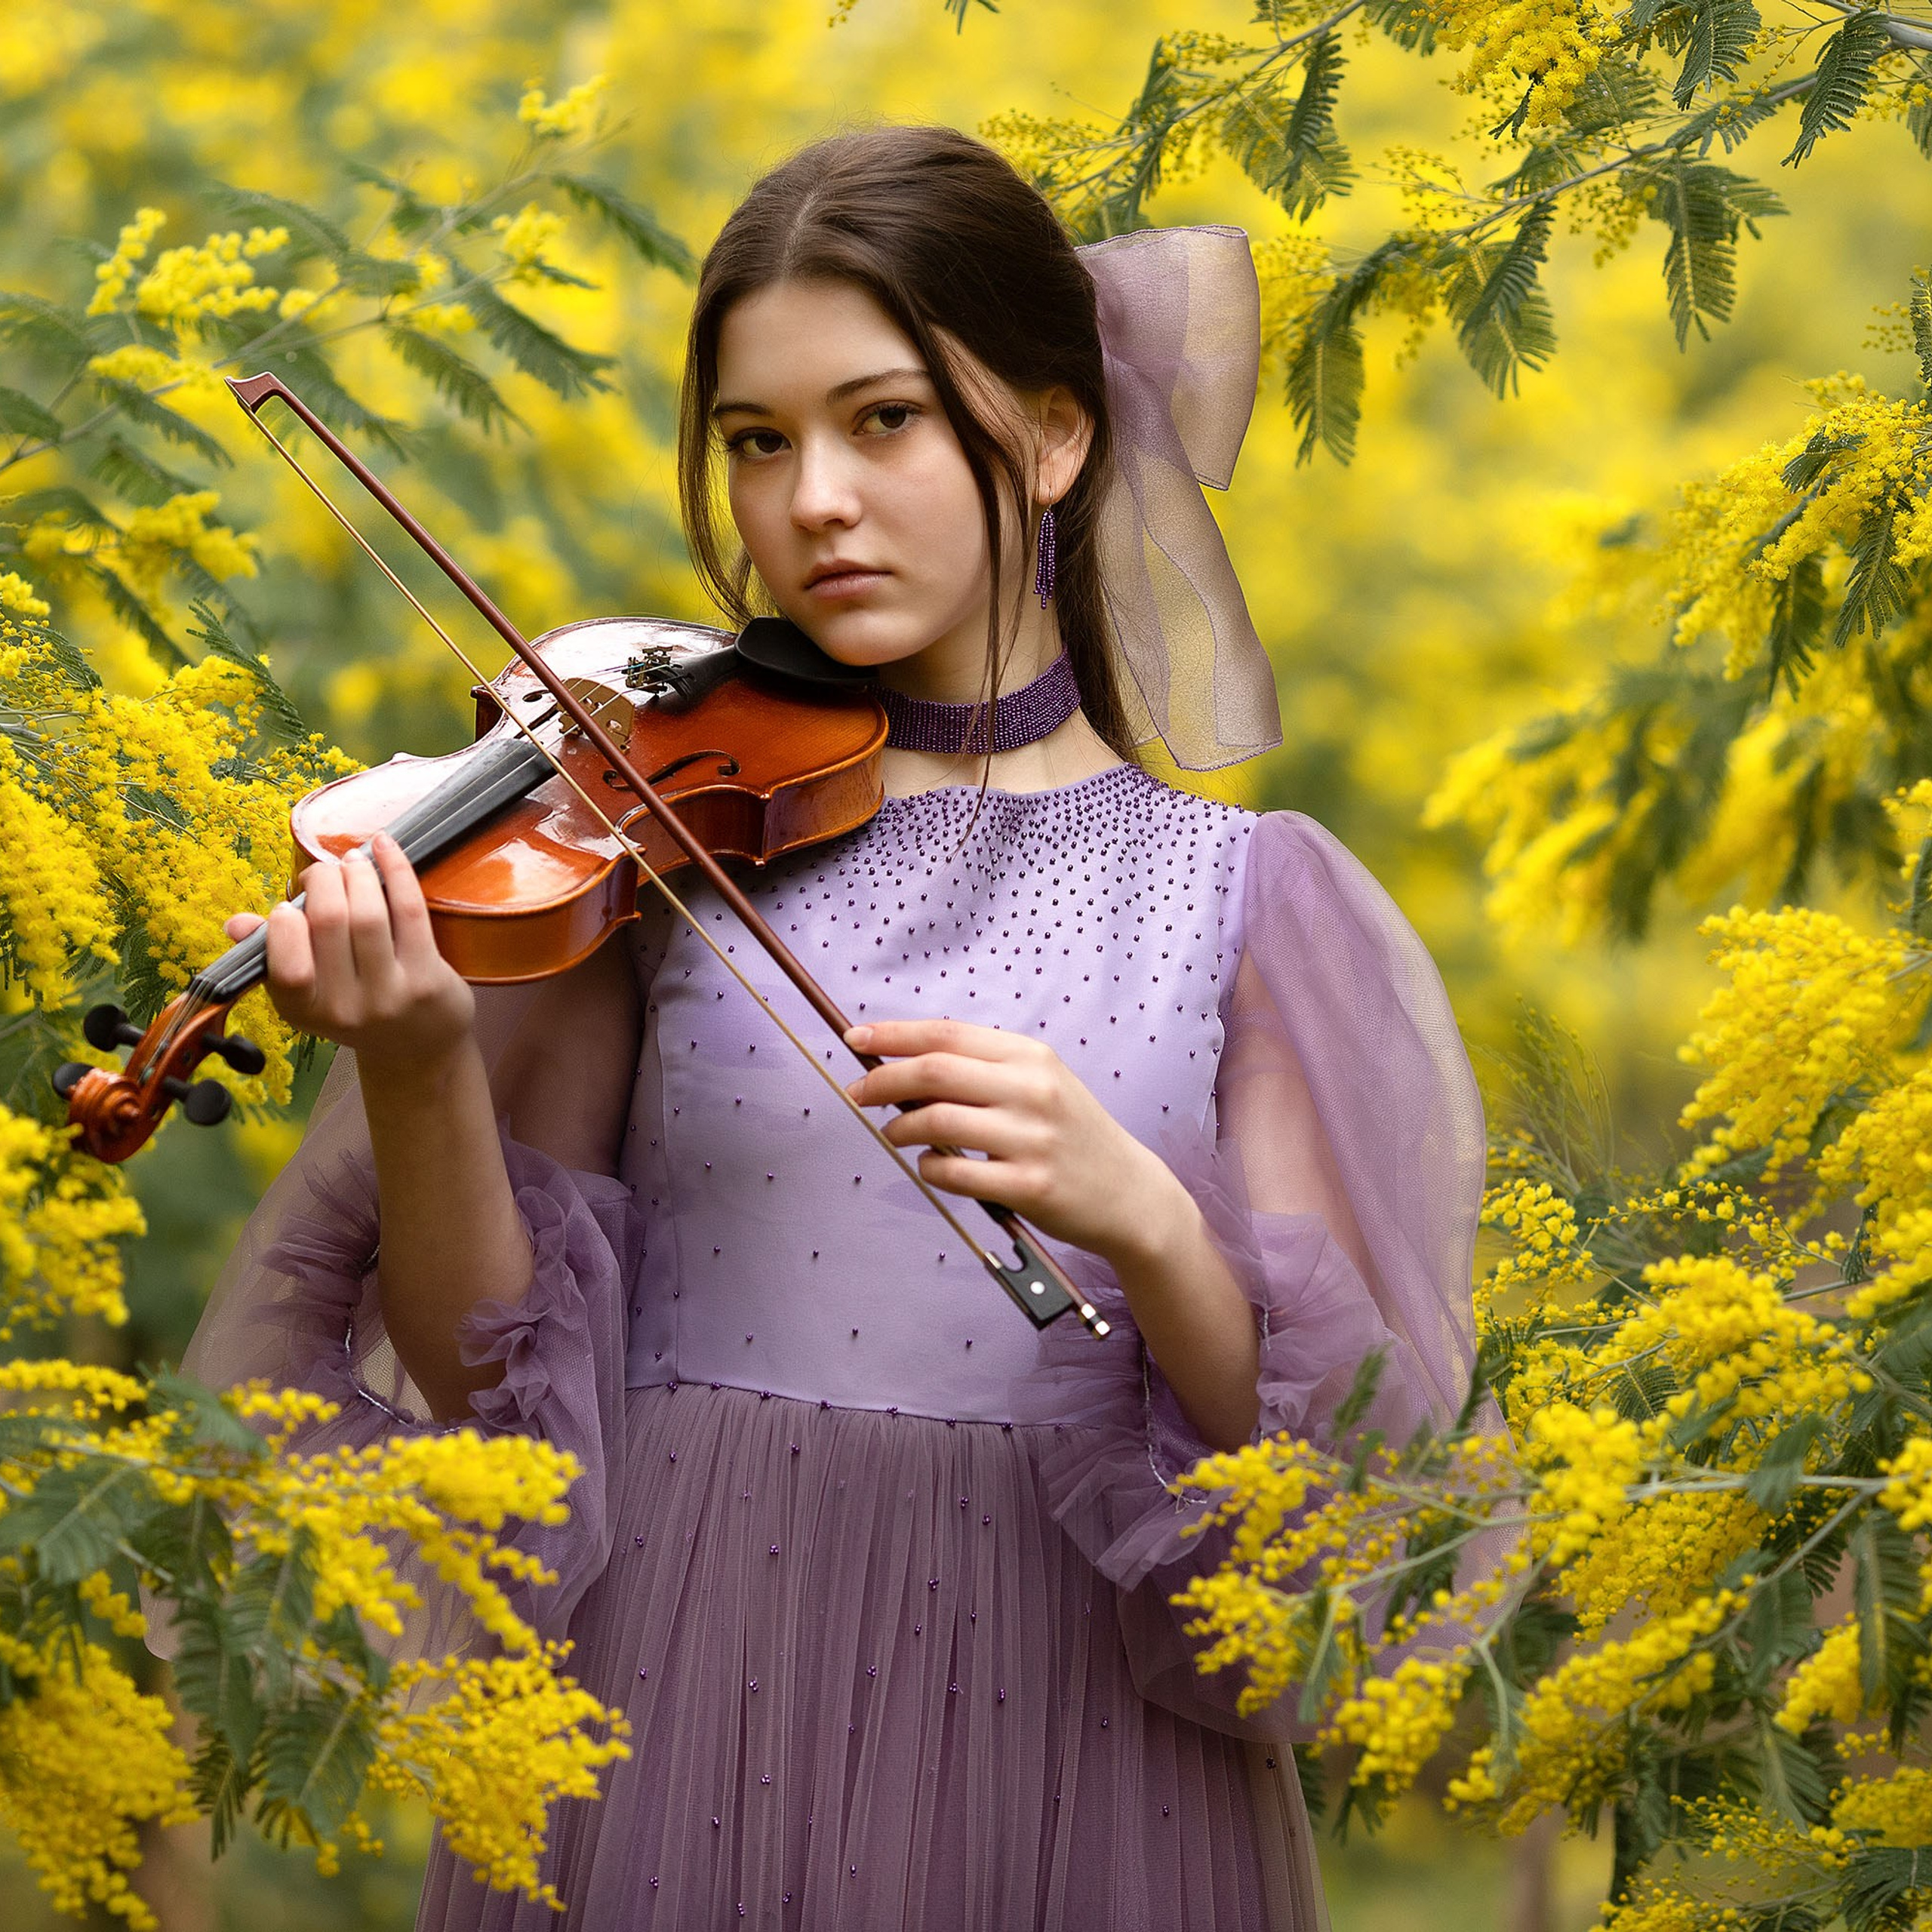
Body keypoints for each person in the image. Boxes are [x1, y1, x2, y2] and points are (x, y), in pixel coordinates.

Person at [182, 125, 1484, 1930]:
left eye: (881, 420)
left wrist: (1146, 1219)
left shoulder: (1249, 892)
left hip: (1069, 1724)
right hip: (683, 1663)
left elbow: (1342, 1484)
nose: (811, 503)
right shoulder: (646, 834)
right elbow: (489, 1386)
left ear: (1049, 433)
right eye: (757, 441)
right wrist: (413, 1065)